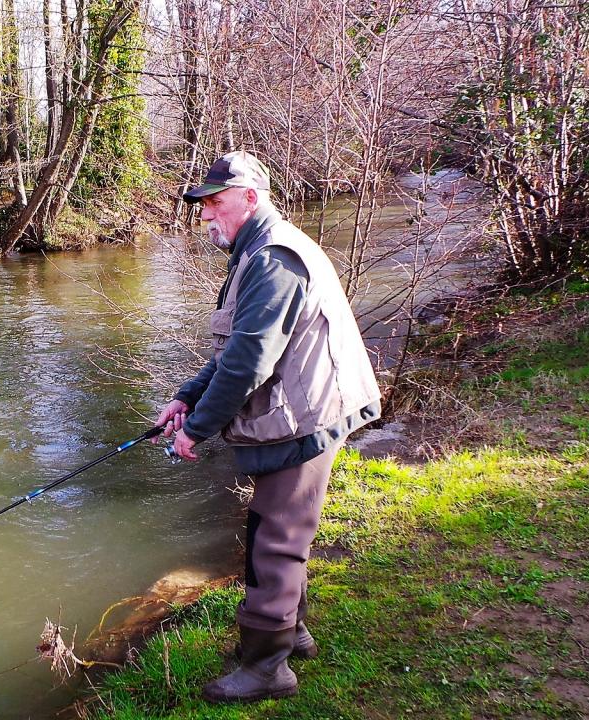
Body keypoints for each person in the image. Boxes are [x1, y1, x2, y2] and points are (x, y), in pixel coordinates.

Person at [154, 151, 382, 703]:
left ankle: (266, 668)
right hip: (306, 409)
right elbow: (236, 346)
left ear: (249, 198)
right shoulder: (255, 251)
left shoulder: (274, 259)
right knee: (277, 528)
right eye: (201, 204)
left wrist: (197, 428)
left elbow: (249, 362)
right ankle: (291, 630)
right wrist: (186, 397)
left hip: (308, 418)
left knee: (275, 538)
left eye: (214, 202)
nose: (204, 213)